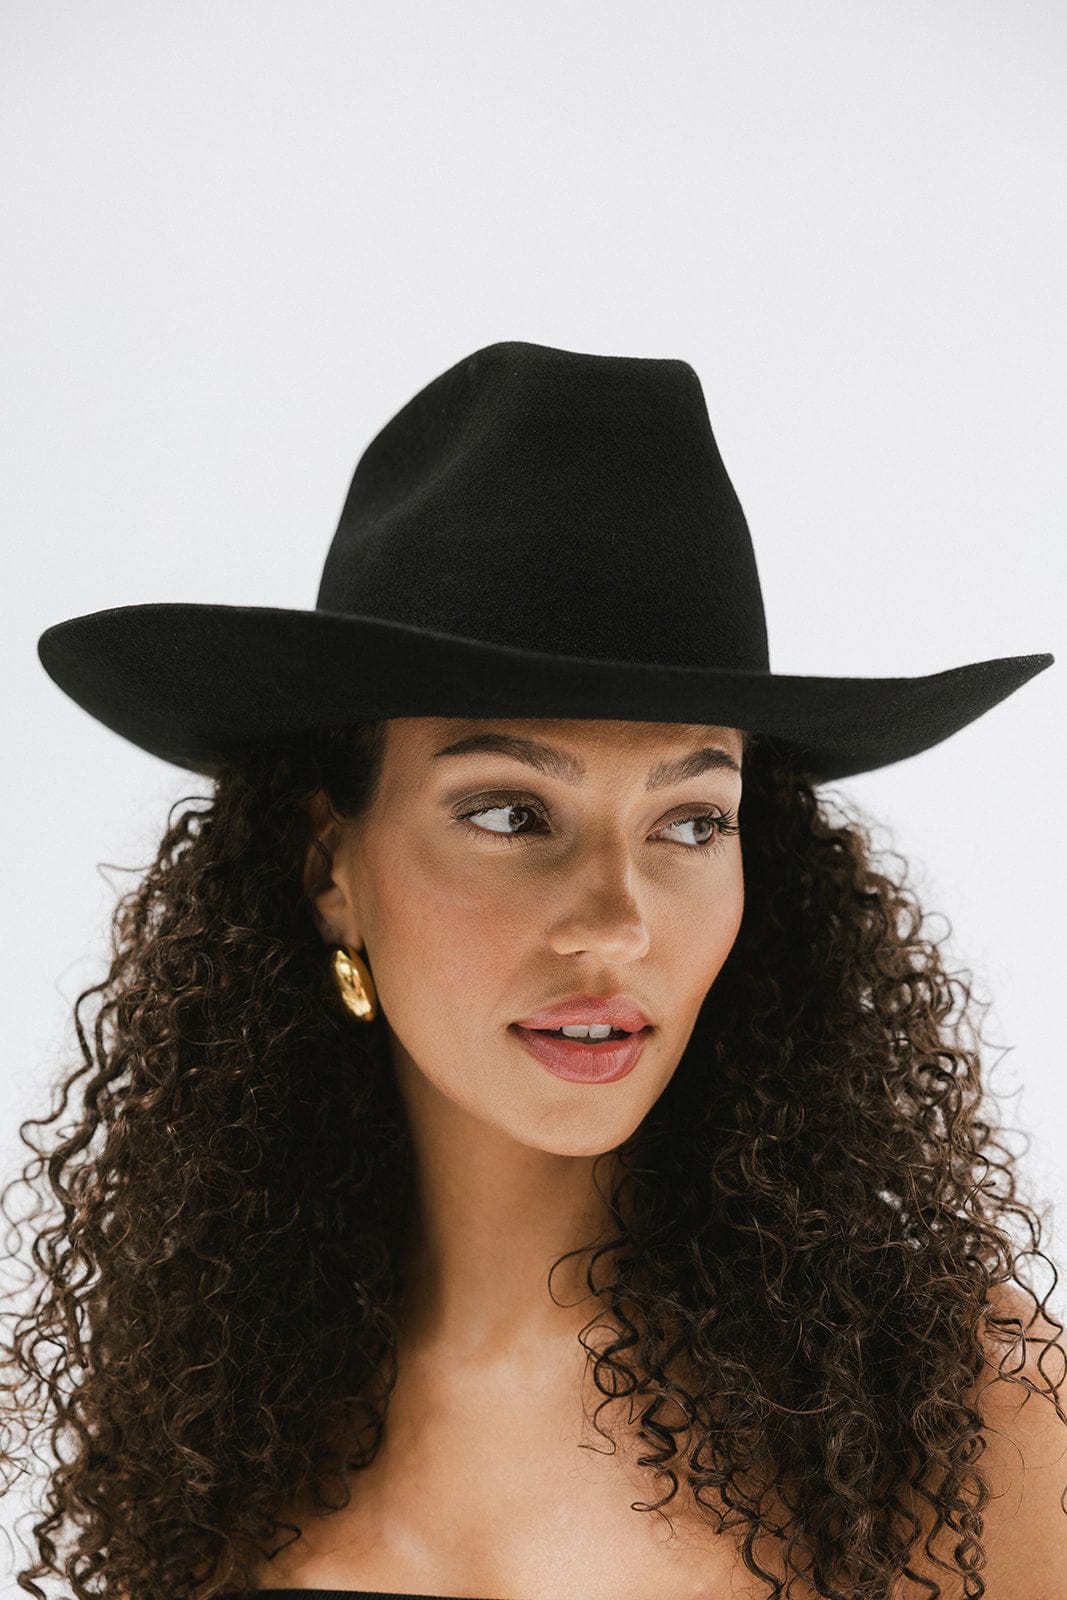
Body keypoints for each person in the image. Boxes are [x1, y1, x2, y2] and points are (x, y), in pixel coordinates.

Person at [9, 339, 1066, 1600]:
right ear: (326, 863)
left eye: (690, 821)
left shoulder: (943, 1409)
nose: (614, 921)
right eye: (510, 814)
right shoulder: (214, 1414)